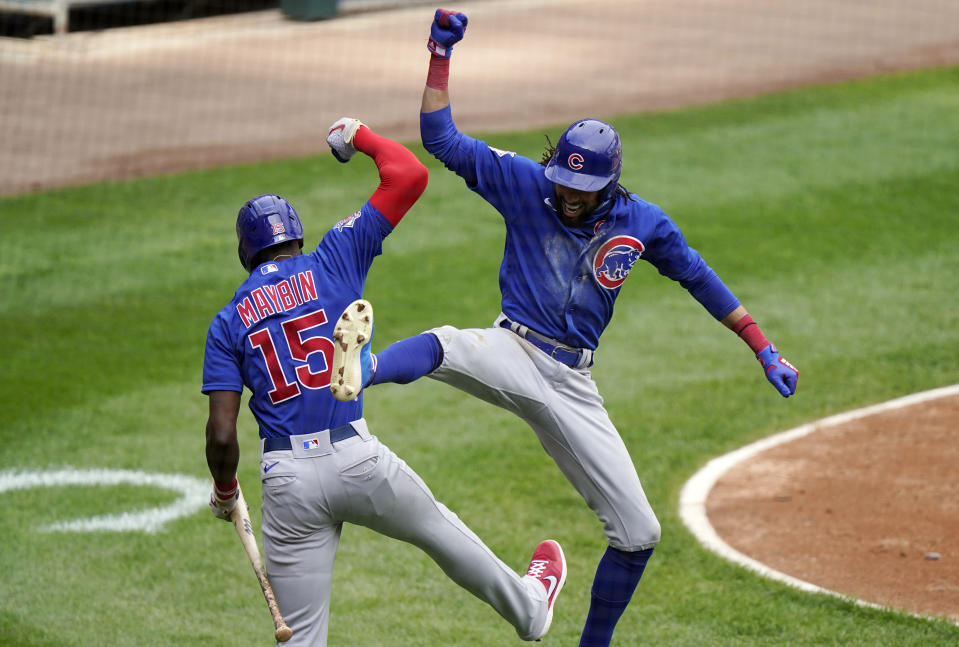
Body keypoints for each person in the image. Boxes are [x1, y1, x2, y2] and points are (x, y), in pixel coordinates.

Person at [331, 9, 799, 647]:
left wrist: (762, 347)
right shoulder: (526, 183)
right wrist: (439, 53)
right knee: (449, 345)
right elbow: (440, 138)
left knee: (640, 534)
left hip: (574, 381)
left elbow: (699, 277)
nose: (569, 195)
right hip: (511, 345)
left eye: (584, 188)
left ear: (610, 183)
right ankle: (361, 371)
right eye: (563, 181)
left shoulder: (645, 223)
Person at [202, 116, 567, 647]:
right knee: (440, 532)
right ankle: (530, 610)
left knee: (299, 638)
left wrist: (225, 490)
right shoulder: (331, 258)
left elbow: (220, 435)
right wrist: (360, 136)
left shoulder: (227, 321)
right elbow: (409, 174)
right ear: (297, 238)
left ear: (244, 255)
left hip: (288, 481)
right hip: (358, 461)